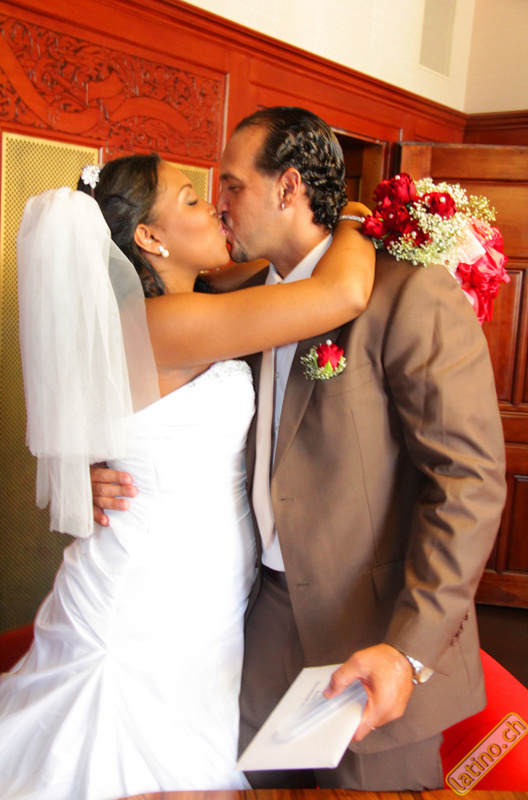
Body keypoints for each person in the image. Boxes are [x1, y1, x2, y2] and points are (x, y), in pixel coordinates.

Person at [93, 107, 507, 791]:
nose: (220, 204)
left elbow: (469, 482)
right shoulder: (237, 299)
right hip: (257, 621)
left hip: (372, 629)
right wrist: (99, 463)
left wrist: (406, 653)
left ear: (288, 188)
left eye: (232, 186)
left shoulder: (408, 292)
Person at [0, 149, 375, 800]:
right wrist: (351, 216)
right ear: (148, 238)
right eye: (194, 200)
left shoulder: (176, 307)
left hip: (199, 590)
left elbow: (251, 272)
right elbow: (340, 293)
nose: (216, 209)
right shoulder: (162, 324)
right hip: (151, 596)